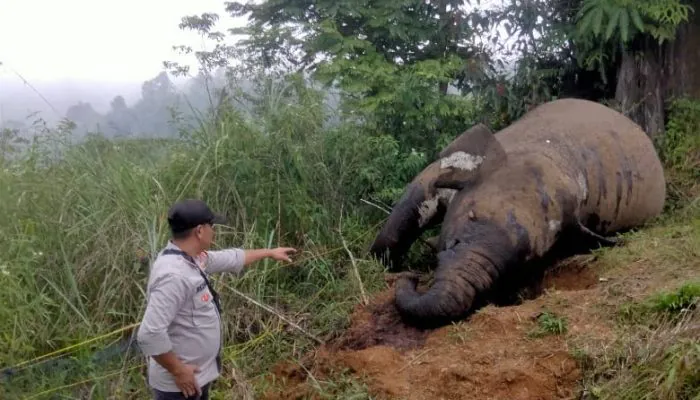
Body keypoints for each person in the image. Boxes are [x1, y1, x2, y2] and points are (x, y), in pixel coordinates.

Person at [136, 199, 296, 399]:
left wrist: (270, 252)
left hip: (196, 380)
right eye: (212, 226)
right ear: (200, 231)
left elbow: (232, 258)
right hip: (179, 388)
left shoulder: (192, 258)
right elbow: (149, 334)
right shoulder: (173, 275)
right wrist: (179, 371)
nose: (215, 231)